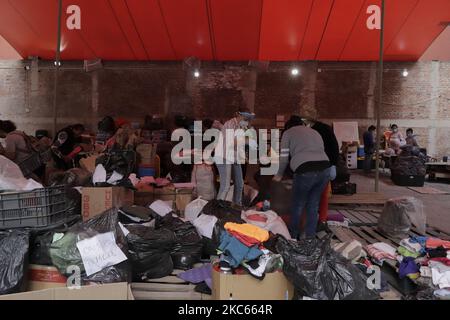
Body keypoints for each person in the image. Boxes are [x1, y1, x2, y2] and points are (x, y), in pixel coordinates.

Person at [273, 119, 331, 239]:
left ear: (287, 127)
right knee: (313, 205)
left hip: (305, 169)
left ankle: (292, 237)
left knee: (298, 204)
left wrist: (278, 176)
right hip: (325, 169)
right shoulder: (314, 132)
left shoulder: (287, 133)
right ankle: (310, 238)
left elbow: (283, 159)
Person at [302, 116, 339, 226]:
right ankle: (321, 219)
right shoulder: (325, 129)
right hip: (323, 165)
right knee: (322, 194)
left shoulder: (311, 131)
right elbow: (334, 147)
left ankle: (312, 219)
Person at [215, 108, 255, 206]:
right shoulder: (230, 124)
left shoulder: (240, 126)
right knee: (225, 186)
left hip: (233, 158)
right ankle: (217, 209)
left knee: (239, 184)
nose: (247, 120)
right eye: (245, 118)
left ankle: (237, 206)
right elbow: (232, 142)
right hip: (223, 157)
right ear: (239, 115)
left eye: (248, 119)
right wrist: (248, 139)